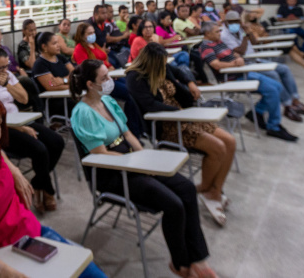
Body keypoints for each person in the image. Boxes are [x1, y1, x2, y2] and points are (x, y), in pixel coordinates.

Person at [69, 61, 217, 278]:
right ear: (90, 84)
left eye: (109, 76)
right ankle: (181, 263)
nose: (110, 81)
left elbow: (128, 135)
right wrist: (136, 164)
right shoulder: (83, 113)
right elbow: (99, 154)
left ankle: (198, 260)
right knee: (174, 205)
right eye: (104, 79)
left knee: (186, 188)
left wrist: (146, 158)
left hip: (131, 161)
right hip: (110, 172)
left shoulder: (108, 101)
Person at [0, 92, 107, 278]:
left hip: (31, 230)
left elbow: (22, 96)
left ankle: (42, 186)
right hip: (5, 250)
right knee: (40, 150)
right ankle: (43, 188)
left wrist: (14, 170)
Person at [126, 44, 236, 226]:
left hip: (184, 115)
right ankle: (209, 191)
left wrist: (191, 82)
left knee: (230, 142)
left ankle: (213, 190)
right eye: (160, 64)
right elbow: (150, 106)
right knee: (218, 148)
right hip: (168, 125)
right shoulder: (135, 77)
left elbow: (180, 72)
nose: (164, 67)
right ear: (150, 62)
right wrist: (178, 112)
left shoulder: (162, 66)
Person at [0, 47, 64, 212]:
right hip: (1, 128)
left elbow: (24, 98)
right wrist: (22, 128)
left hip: (20, 120)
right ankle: (48, 191)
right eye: (0, 68)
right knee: (40, 150)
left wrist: (6, 84)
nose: (4, 71)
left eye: (6, 67)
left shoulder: (7, 76)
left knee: (56, 141)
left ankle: (38, 184)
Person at [199, 22, 298, 142]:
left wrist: (238, 58)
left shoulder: (218, 42)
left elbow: (233, 53)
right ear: (207, 33)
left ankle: (258, 111)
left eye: (219, 31)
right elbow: (216, 65)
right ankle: (274, 126)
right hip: (232, 78)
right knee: (272, 90)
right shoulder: (205, 47)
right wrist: (233, 64)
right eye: (217, 31)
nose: (220, 33)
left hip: (243, 71)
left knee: (277, 86)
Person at [221, 12, 304, 122]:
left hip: (255, 58)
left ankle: (296, 101)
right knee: (273, 74)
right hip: (245, 63)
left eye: (237, 21)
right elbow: (241, 51)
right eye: (232, 22)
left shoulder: (240, 29)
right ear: (226, 22)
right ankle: (288, 106)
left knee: (284, 69)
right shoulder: (224, 35)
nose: (235, 24)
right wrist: (245, 35)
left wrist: (249, 32)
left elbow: (255, 43)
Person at [72, 23, 142, 136]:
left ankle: (140, 126)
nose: (92, 35)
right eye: (89, 33)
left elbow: (105, 60)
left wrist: (110, 67)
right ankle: (133, 130)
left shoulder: (95, 45)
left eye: (93, 32)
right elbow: (85, 70)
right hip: (98, 82)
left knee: (134, 88)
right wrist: (105, 71)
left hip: (109, 76)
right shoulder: (79, 49)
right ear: (82, 35)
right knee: (129, 93)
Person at [243, 11, 304, 77]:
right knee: (290, 47)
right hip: (265, 46)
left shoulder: (257, 24)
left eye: (254, 15)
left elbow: (261, 10)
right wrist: (264, 34)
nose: (255, 16)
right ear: (248, 18)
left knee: (290, 46)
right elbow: (256, 40)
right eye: (252, 16)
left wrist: (253, 13)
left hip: (270, 42)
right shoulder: (250, 27)